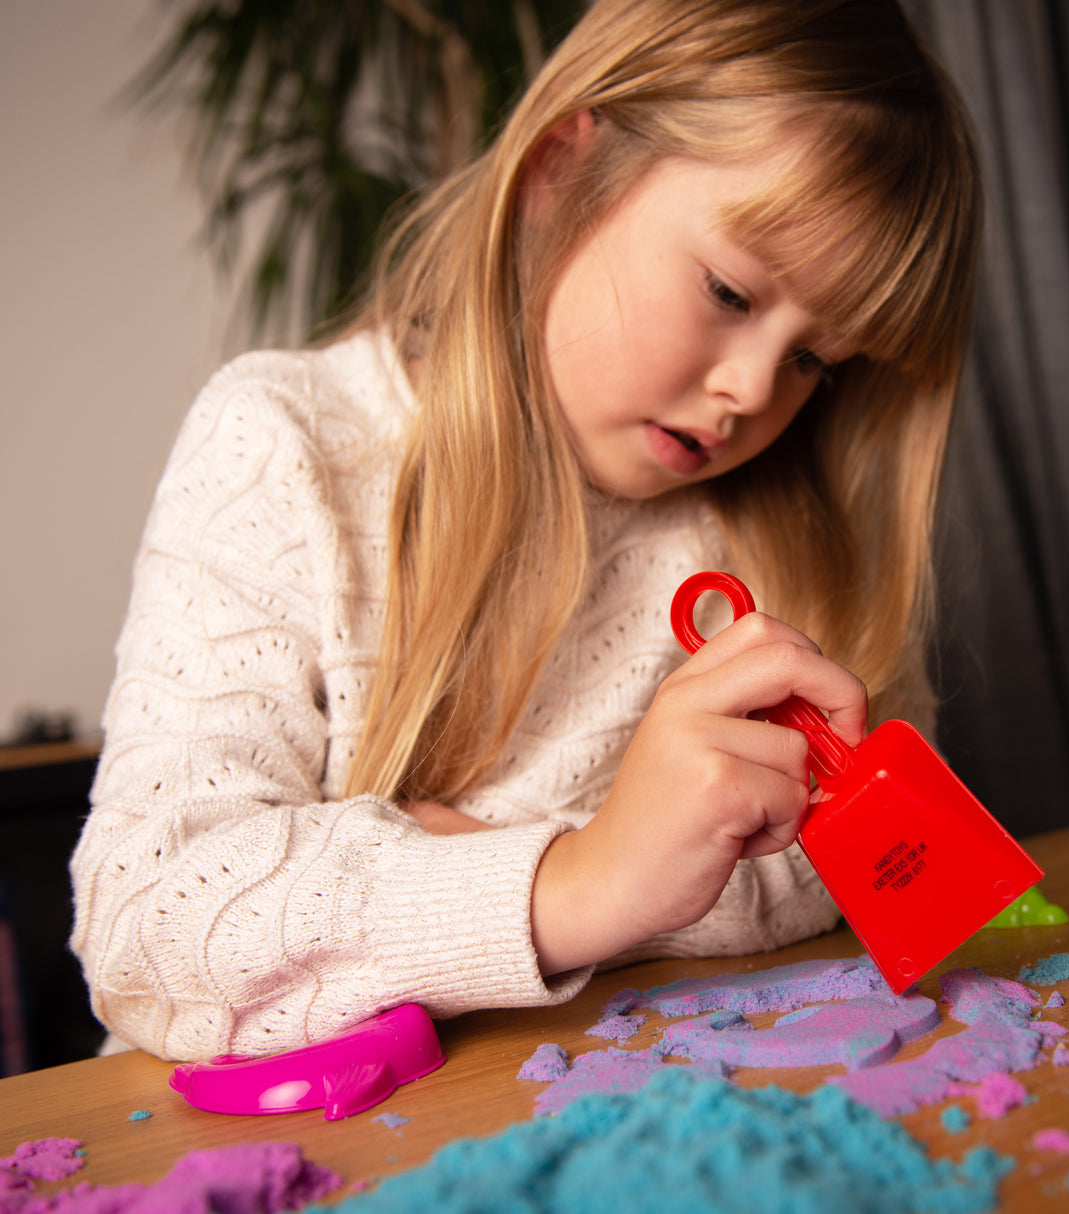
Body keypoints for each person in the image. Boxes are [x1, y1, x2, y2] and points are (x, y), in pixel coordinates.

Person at [70, 0, 981, 1061]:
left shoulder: (782, 535)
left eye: (815, 359)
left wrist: (510, 865)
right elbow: (146, 924)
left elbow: (881, 870)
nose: (750, 389)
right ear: (559, 167)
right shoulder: (283, 441)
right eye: (730, 292)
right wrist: (583, 875)